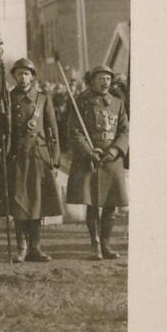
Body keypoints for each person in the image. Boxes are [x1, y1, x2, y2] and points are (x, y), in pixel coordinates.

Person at [0, 57, 63, 262]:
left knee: (37, 202)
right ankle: (21, 248)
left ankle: (35, 248)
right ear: (14, 76)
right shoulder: (6, 100)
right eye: (19, 73)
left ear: (32, 76)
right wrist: (3, 140)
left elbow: (52, 131)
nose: (23, 77)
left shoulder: (43, 99)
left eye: (26, 73)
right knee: (19, 204)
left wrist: (54, 160)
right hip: (15, 157)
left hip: (38, 156)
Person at [65, 65, 130, 260]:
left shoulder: (118, 103)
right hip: (90, 158)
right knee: (92, 203)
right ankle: (95, 246)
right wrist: (88, 152)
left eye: (108, 79)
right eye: (100, 79)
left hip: (111, 159)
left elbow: (124, 130)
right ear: (92, 81)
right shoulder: (81, 102)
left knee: (111, 204)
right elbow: (74, 131)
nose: (104, 83)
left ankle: (107, 245)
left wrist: (115, 149)